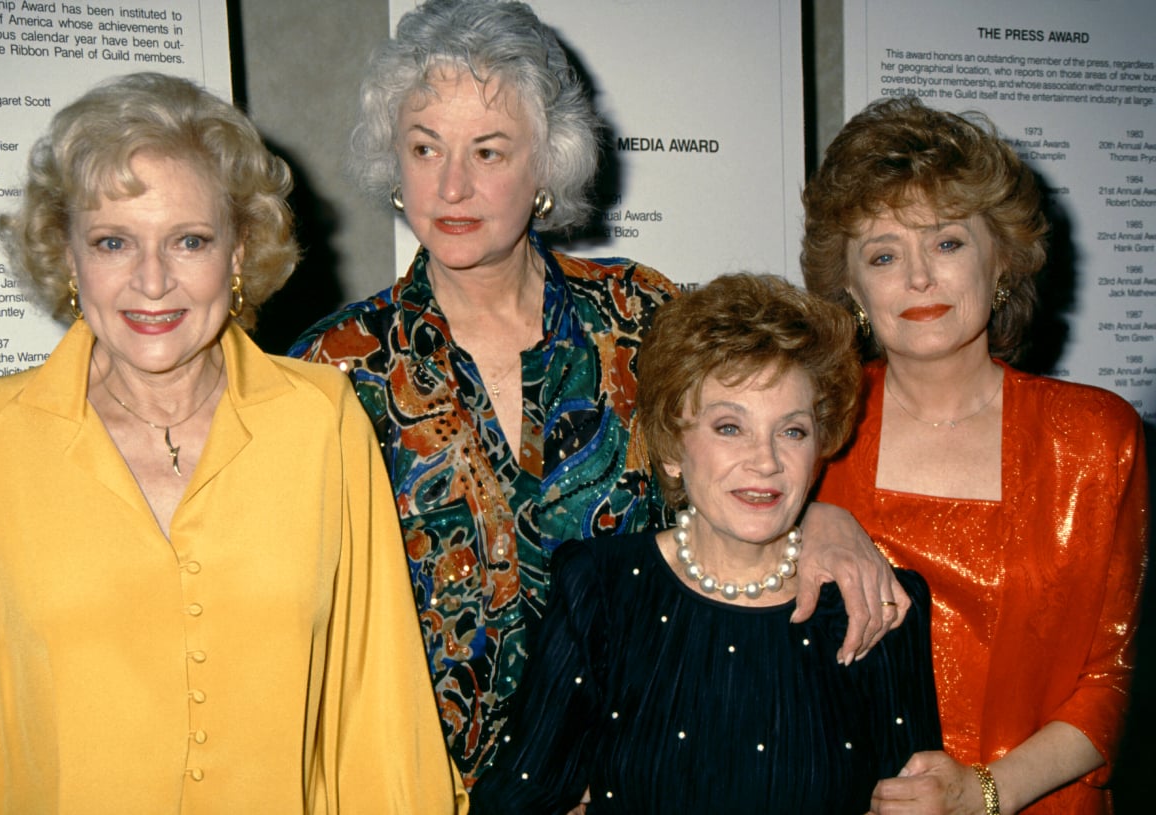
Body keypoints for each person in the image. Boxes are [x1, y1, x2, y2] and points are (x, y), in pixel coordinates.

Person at [291, 0, 906, 788]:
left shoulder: (643, 317)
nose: (451, 184)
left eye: (488, 151)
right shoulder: (333, 366)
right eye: (424, 147)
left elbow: (762, 436)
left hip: (647, 773)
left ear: (546, 166)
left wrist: (824, 514)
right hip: (420, 785)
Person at [0, 72, 463, 813]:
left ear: (237, 253)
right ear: (69, 257)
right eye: (113, 242)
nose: (152, 280)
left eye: (189, 240)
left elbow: (378, 705)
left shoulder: (322, 421)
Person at [468, 273, 943, 813]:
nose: (765, 461)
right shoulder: (601, 588)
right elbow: (514, 800)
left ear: (819, 450)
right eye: (728, 427)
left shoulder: (879, 605)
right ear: (672, 447)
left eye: (792, 431)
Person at [801, 96, 1149, 815]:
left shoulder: (1096, 438)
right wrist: (810, 518)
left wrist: (982, 793)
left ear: (1003, 262)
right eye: (884, 254)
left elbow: (1115, 679)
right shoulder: (806, 431)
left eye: (948, 242)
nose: (919, 277)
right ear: (853, 287)